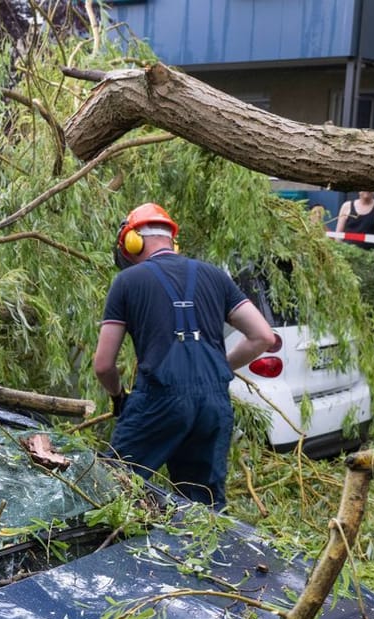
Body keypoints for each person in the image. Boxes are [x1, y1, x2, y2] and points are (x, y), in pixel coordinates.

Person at [93, 203, 276, 508]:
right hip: (213, 404)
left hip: (158, 400)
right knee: (202, 506)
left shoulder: (126, 281)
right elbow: (263, 337)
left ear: (131, 241)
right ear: (171, 240)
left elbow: (103, 365)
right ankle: (203, 556)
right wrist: (219, 368)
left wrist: (118, 396)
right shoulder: (216, 276)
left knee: (115, 485)